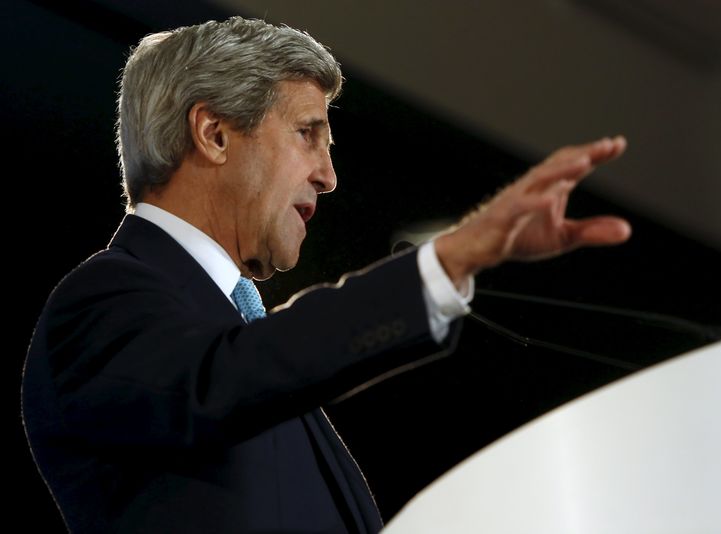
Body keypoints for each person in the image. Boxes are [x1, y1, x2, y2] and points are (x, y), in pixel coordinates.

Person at [21, 16, 631, 534]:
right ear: (213, 134)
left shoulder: (235, 339)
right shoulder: (104, 302)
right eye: (308, 134)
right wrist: (451, 258)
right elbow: (232, 376)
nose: (328, 176)